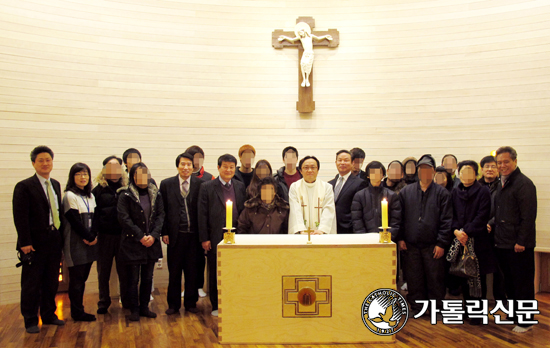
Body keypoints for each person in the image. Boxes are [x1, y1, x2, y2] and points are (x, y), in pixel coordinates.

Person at [12, 146, 65, 333]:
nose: (45, 163)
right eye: (41, 160)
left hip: (53, 239)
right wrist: (25, 242)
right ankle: (30, 319)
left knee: (51, 280)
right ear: (33, 163)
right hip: (33, 243)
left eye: (48, 160)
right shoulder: (24, 186)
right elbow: (20, 216)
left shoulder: (56, 185)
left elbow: (58, 212)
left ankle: (49, 314)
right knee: (31, 282)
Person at [396, 154, 452, 318]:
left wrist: (442, 243)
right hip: (410, 245)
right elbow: (400, 217)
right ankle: (417, 308)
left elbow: (447, 220)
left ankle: (436, 309)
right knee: (414, 279)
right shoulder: (406, 191)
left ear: (434, 171)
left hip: (433, 245)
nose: (425, 172)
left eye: (428, 169)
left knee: (435, 279)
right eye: (421, 169)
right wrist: (400, 238)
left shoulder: (442, 193)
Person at [492, 146, 537, 333]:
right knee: (509, 282)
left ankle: (526, 321)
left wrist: (522, 241)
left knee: (523, 283)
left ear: (515, 161)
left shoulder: (523, 184)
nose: (502, 165)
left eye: (506, 162)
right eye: (499, 162)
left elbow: (528, 217)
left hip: (518, 244)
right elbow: (502, 211)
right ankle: (515, 313)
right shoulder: (501, 183)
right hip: (502, 241)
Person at [198, 154, 246, 317]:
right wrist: (205, 238)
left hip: (235, 236)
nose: (228, 170)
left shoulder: (239, 186)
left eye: (232, 167)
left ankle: (233, 302)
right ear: (218, 168)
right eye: (225, 166)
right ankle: (216, 305)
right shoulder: (207, 187)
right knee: (215, 272)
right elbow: (202, 214)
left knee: (234, 270)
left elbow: (242, 211)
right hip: (215, 235)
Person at [450, 160, 495, 325]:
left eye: (469, 171)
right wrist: (456, 231)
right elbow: (451, 215)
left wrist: (466, 232)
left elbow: (482, 216)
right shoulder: (455, 192)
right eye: (462, 171)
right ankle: (467, 310)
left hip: (478, 241)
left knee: (478, 278)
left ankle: (478, 314)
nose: (465, 174)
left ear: (476, 174)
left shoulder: (483, 191)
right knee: (463, 275)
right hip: (460, 241)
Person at [117, 163, 164, 321]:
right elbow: (124, 218)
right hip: (133, 243)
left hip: (151, 242)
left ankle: (144, 307)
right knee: (133, 279)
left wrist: (154, 235)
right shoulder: (125, 195)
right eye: (139, 174)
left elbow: (160, 216)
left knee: (148, 278)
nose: (143, 177)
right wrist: (140, 236)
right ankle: (134, 309)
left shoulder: (156, 193)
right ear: (133, 177)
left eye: (146, 174)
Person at [160, 153, 204, 315]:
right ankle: (173, 304)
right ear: (177, 166)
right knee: (175, 271)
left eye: (189, 165)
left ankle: (191, 302)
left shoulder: (201, 184)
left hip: (194, 236)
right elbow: (162, 210)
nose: (186, 168)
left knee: (192, 270)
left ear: (193, 167)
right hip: (175, 235)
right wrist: (164, 232)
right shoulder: (166, 184)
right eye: (183, 164)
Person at [93, 156, 129, 314]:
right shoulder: (97, 190)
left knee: (124, 270)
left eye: (117, 167)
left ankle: (126, 299)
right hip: (104, 236)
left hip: (123, 236)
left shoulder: (127, 188)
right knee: (103, 271)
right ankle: (103, 301)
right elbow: (93, 215)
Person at [63, 163, 98, 322]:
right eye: (78, 174)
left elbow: (96, 218)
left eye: (85, 174)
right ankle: (77, 312)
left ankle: (79, 310)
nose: (83, 177)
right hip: (75, 243)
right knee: (76, 280)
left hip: (90, 242)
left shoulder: (90, 196)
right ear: (72, 177)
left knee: (82, 279)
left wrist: (94, 236)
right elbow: (74, 221)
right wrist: (89, 237)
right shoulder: (70, 195)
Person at [185, 145, 213, 299]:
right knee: (187, 260)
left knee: (200, 258)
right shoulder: (182, 177)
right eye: (193, 158)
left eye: (199, 157)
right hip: (185, 226)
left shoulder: (209, 178)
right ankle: (188, 287)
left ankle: (199, 286)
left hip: (202, 225)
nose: (196, 161)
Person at [478, 155, 505, 301]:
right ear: (481, 169)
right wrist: (482, 225)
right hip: (480, 234)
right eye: (487, 166)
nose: (490, 169)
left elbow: (505, 210)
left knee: (500, 271)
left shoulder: (503, 186)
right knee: (479, 271)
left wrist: (490, 223)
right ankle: (480, 305)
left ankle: (501, 301)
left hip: (498, 233)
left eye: (493, 166)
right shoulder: (475, 186)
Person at [288, 156, 337, 234]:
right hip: (301, 234)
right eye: (306, 167)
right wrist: (301, 230)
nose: (310, 170)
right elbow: (295, 210)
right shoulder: (295, 187)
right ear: (300, 170)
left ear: (317, 170)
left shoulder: (327, 187)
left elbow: (328, 209)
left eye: (313, 167)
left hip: (321, 234)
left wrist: (321, 230)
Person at [351, 161, 401, 236]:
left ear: (382, 175)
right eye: (372, 172)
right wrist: (363, 237)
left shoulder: (392, 195)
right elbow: (357, 220)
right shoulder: (359, 196)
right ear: (368, 175)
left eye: (378, 173)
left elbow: (395, 220)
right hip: (366, 239)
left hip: (386, 238)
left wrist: (389, 236)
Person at [328, 150, 367, 234]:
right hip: (331, 227)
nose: (342, 163)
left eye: (346, 160)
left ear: (352, 163)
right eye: (340, 160)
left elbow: (360, 209)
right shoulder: (329, 184)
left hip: (348, 229)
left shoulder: (360, 183)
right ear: (336, 162)